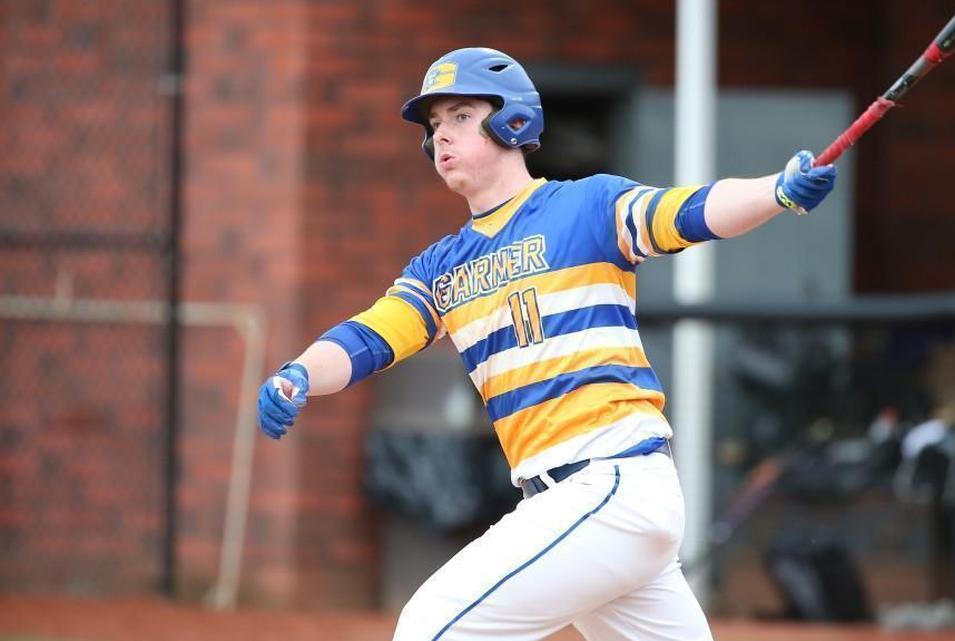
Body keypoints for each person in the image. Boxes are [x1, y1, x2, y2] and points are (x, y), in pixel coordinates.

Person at [257, 47, 836, 640]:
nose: (442, 138)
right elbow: (369, 336)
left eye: (459, 116)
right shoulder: (440, 267)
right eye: (434, 127)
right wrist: (300, 374)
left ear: (512, 120)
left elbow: (688, 211)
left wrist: (777, 190)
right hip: (579, 505)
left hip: (607, 484)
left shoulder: (584, 206)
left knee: (430, 630)